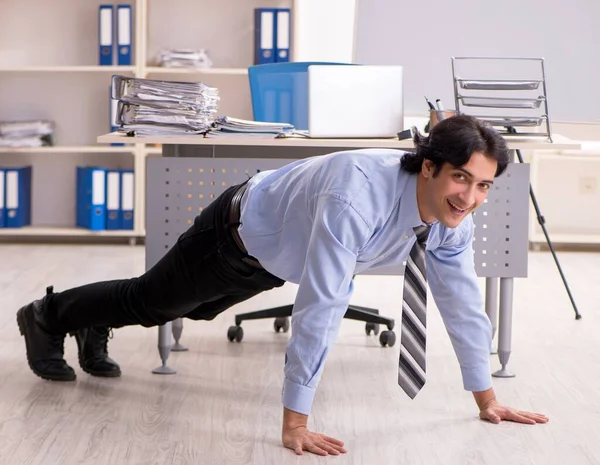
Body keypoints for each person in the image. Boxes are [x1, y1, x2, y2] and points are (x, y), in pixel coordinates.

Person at [17, 114, 548, 457]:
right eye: (461, 178)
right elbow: (322, 304)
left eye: (483, 186)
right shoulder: (356, 197)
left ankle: (91, 324)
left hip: (275, 256)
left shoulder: (456, 221)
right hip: (232, 234)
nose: (471, 197)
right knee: (152, 301)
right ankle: (46, 316)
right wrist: (295, 422)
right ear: (430, 167)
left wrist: (487, 398)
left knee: (194, 310)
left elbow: (461, 305)